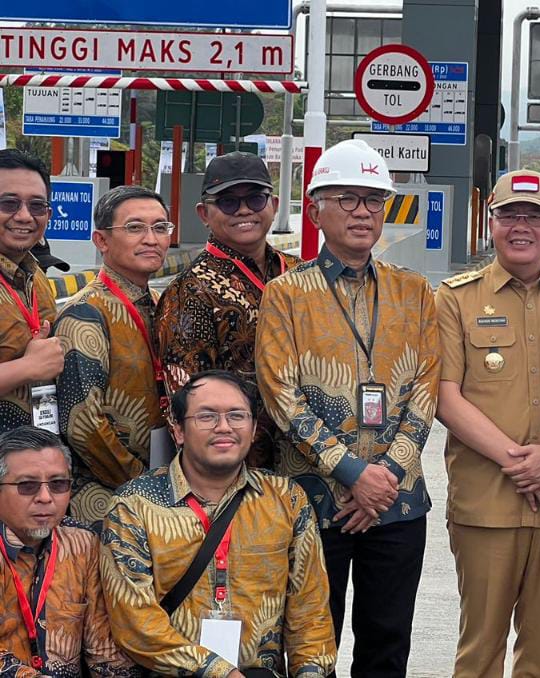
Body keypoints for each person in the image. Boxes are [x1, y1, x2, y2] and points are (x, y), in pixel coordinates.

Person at [256, 139, 440, 677]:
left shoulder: (415, 292)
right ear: (316, 209)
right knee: (315, 642)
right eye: (348, 199)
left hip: (398, 503)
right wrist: (352, 472)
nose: (363, 212)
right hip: (314, 502)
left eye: (374, 200)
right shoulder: (286, 294)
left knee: (388, 642)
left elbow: (425, 390)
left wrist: (382, 477)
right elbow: (280, 394)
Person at [435, 170, 540, 677]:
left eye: (535, 216)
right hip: (487, 501)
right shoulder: (455, 299)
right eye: (510, 215)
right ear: (490, 223)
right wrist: (520, 463)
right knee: (480, 651)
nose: (522, 226)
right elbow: (445, 396)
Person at [100, 370, 336, 677]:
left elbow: (311, 614)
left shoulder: (286, 499)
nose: (224, 427)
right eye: (207, 416)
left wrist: (310, 673)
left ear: (253, 430)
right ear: (178, 431)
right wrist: (217, 671)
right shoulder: (134, 506)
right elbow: (135, 623)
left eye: (237, 416)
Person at [155, 152, 299, 470]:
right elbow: (189, 402)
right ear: (204, 213)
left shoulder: (300, 275)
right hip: (238, 472)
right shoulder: (189, 292)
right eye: (228, 202)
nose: (244, 210)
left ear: (273, 204)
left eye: (255, 198)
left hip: (310, 464)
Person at [55, 186, 173, 526]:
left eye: (160, 227)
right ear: (101, 241)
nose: (151, 239)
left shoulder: (161, 305)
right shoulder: (86, 313)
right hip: (106, 500)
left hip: (158, 488)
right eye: (135, 228)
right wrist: (145, 484)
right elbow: (83, 424)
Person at [0, 426, 135, 676]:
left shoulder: (83, 544)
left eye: (58, 484)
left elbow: (104, 649)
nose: (45, 497)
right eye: (27, 485)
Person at [0, 149, 63, 430]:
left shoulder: (34, 273)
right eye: (9, 203)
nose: (24, 216)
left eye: (37, 206)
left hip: (34, 456)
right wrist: (26, 368)